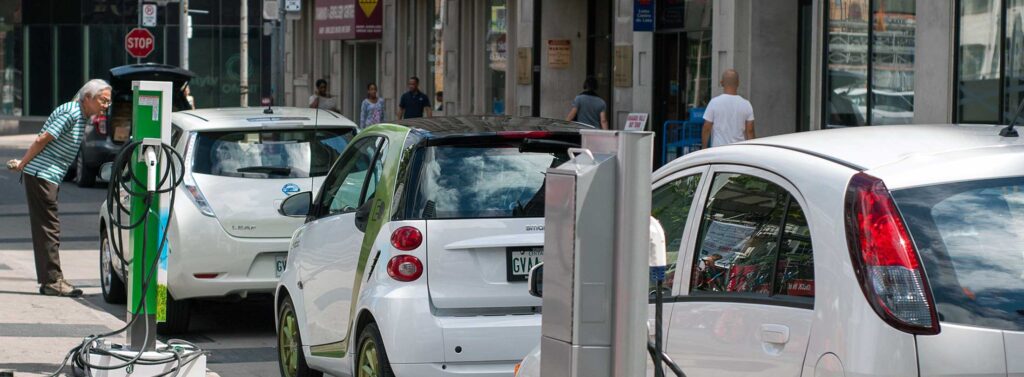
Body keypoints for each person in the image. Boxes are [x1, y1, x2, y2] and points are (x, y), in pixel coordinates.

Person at [15, 79, 111, 297]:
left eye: (108, 102)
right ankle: (53, 281)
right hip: (42, 175)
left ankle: (50, 280)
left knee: (46, 228)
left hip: (48, 176)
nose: (106, 106)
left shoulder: (80, 114)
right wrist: (23, 163)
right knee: (49, 229)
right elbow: (43, 138)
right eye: (103, 101)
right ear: (88, 98)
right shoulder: (71, 112)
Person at [701, 69, 755, 148]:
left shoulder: (714, 102)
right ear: (738, 83)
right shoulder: (746, 104)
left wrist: (704, 148)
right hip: (739, 151)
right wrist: (752, 149)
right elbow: (750, 131)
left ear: (722, 83)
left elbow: (706, 128)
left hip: (718, 150)